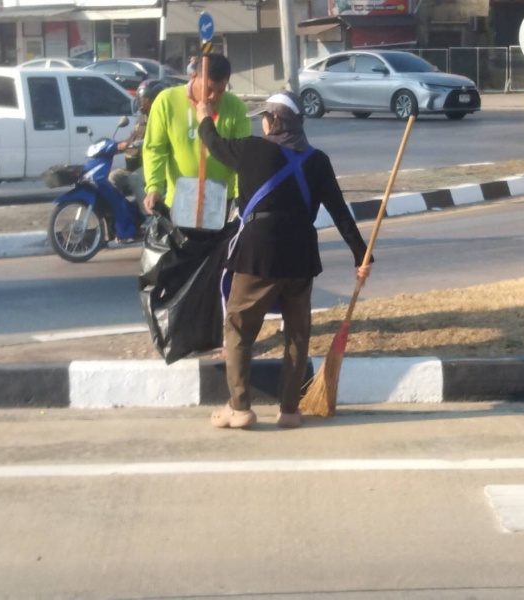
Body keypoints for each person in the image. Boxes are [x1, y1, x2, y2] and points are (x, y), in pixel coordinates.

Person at [195, 90, 373, 430]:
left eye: (265, 117)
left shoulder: (252, 149)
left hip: (259, 252)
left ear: (274, 121)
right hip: (301, 255)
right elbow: (340, 212)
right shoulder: (318, 160)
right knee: (296, 333)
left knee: (238, 327)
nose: (262, 122)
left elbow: (213, 144)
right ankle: (289, 409)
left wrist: (204, 115)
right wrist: (361, 256)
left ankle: (240, 407)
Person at [142, 53, 251, 218]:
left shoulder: (236, 107)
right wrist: (154, 187)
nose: (213, 97)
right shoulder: (167, 101)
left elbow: (243, 157)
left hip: (223, 203)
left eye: (220, 91)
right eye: (208, 89)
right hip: (179, 202)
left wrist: (240, 197)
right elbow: (155, 150)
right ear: (194, 76)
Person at [108, 78, 166, 213]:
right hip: (132, 165)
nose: (142, 101)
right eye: (141, 98)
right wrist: (119, 145)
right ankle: (123, 212)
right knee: (112, 178)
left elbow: (157, 142)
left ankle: (149, 215)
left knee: (135, 179)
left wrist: (141, 144)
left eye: (145, 99)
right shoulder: (142, 118)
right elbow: (132, 137)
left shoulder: (160, 118)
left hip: (149, 166)